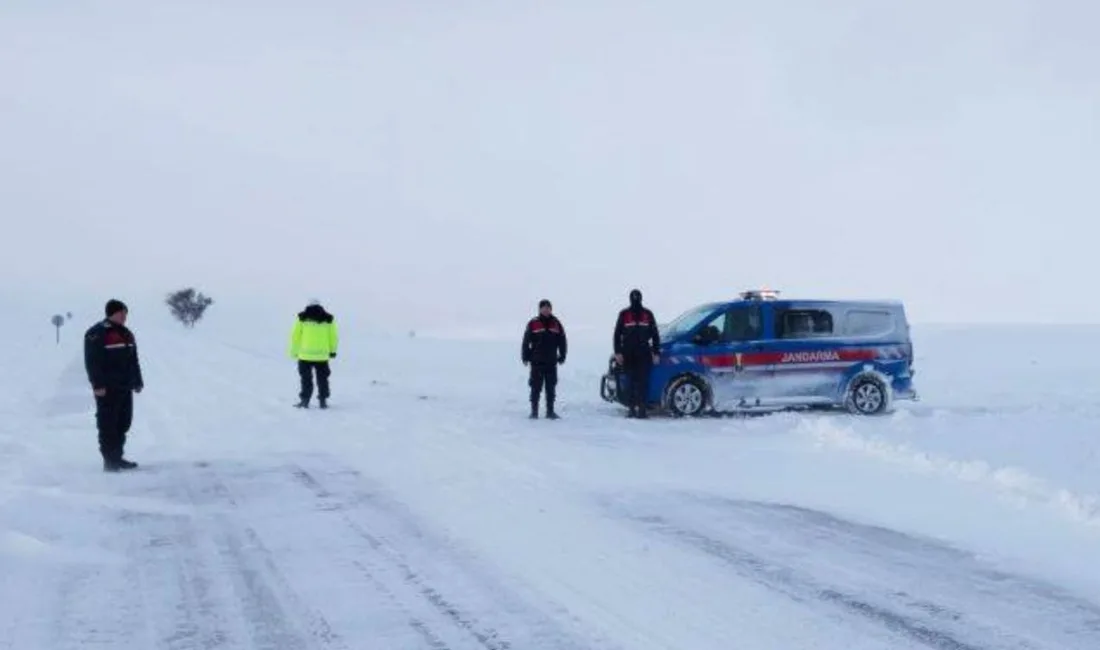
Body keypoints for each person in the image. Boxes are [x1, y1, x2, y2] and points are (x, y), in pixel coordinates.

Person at [84, 299, 144, 471]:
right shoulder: (97, 333)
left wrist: (137, 381)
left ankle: (117, 457)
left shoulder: (126, 333)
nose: (125, 317)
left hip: (125, 386)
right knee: (108, 424)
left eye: (126, 313)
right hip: (107, 388)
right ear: (112, 313)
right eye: (122, 313)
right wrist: (97, 384)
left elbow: (133, 360)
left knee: (123, 423)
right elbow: (92, 362)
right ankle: (110, 461)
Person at [613, 288, 661, 418]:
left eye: (637, 297)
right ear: (630, 299)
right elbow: (617, 335)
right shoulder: (624, 314)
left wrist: (656, 352)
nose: (635, 300)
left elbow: (655, 335)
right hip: (628, 353)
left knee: (643, 382)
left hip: (644, 353)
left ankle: (642, 410)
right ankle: (631, 409)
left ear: (641, 298)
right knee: (630, 381)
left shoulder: (648, 314)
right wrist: (618, 353)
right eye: (633, 297)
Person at [521, 299, 567, 419]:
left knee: (551, 388)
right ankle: (534, 412)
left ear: (551, 309)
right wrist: (525, 356)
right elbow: (526, 341)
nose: (546, 310)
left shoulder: (556, 323)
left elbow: (562, 341)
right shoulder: (533, 323)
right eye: (544, 307)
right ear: (540, 309)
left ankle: (550, 412)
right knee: (535, 388)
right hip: (536, 362)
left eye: (548, 307)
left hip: (551, 362)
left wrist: (562, 355)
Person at [290, 300, 339, 408]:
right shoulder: (328, 319)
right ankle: (323, 401)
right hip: (322, 355)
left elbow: (295, 336)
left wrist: (294, 351)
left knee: (306, 379)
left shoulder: (302, 318)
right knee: (323, 379)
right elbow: (333, 337)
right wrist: (333, 351)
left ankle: (305, 401)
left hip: (304, 355)